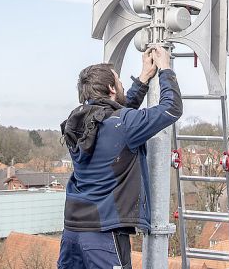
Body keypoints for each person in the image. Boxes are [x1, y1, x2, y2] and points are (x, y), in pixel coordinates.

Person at [58, 47, 183, 269]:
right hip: (104, 233)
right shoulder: (123, 124)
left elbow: (117, 114)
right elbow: (171, 108)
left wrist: (143, 78)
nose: (123, 85)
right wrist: (165, 69)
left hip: (72, 232)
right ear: (110, 88)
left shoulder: (76, 122)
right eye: (119, 81)